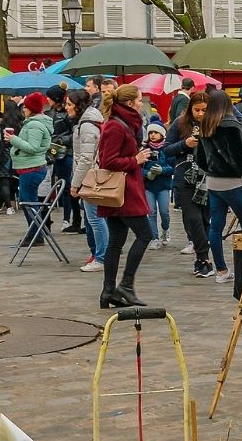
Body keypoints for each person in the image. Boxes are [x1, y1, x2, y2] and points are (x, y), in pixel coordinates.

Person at [96, 84, 154, 308]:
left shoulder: (122, 123)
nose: (141, 104)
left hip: (122, 190)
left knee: (116, 241)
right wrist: (135, 160)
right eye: (140, 100)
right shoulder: (115, 126)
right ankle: (125, 286)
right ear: (130, 103)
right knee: (145, 235)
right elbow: (108, 161)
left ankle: (108, 291)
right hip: (123, 191)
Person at [196, 89, 242, 283]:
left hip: (213, 182)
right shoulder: (230, 125)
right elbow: (239, 156)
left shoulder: (205, 125)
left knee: (216, 226)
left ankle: (221, 270)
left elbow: (200, 159)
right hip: (232, 182)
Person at [164, 92, 213, 277]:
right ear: (190, 109)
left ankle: (203, 257)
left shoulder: (215, 123)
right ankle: (203, 258)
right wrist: (184, 144)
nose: (200, 114)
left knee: (205, 219)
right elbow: (167, 148)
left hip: (207, 177)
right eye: (197, 110)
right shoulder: (180, 123)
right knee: (193, 218)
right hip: (185, 177)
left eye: (204, 110)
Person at [66, 89, 108, 272]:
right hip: (91, 175)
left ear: (78, 105)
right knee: (93, 218)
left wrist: (75, 184)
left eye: (69, 104)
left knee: (95, 218)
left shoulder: (88, 125)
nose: (66, 108)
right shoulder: (88, 121)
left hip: (91, 177)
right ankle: (97, 254)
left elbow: (85, 158)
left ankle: (102, 257)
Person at [6, 91, 53, 234]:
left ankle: (36, 234)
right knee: (28, 201)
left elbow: (33, 147)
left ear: (32, 108)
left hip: (31, 169)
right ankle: (35, 233)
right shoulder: (32, 123)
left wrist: (13, 139)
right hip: (28, 168)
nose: (23, 109)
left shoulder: (35, 125)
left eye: (26, 107)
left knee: (29, 202)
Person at [45, 86, 82, 234]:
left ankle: (69, 218)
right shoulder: (49, 113)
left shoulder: (68, 115)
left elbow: (74, 134)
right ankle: (48, 219)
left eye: (50, 97)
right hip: (52, 153)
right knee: (51, 186)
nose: (47, 99)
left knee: (66, 187)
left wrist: (61, 140)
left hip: (65, 153)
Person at [143, 122, 173, 249]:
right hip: (148, 186)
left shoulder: (167, 149)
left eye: (155, 132)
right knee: (152, 212)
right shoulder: (144, 149)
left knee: (164, 212)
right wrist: (147, 174)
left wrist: (162, 170)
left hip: (163, 186)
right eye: (151, 133)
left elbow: (173, 168)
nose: (153, 135)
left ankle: (165, 230)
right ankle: (154, 238)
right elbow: (137, 167)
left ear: (162, 134)